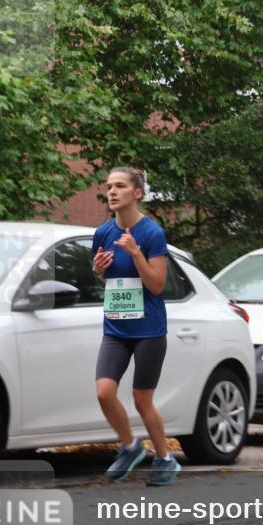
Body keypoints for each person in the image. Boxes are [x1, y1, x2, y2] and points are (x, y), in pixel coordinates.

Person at [91, 167, 179, 486]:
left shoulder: (151, 233)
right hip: (116, 327)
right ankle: (129, 446)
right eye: (109, 186)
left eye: (120, 186)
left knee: (142, 400)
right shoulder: (102, 233)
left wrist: (136, 254)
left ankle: (165, 459)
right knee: (104, 392)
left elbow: (156, 286)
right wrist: (98, 270)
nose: (112, 191)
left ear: (137, 193)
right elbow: (105, 276)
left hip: (148, 331)